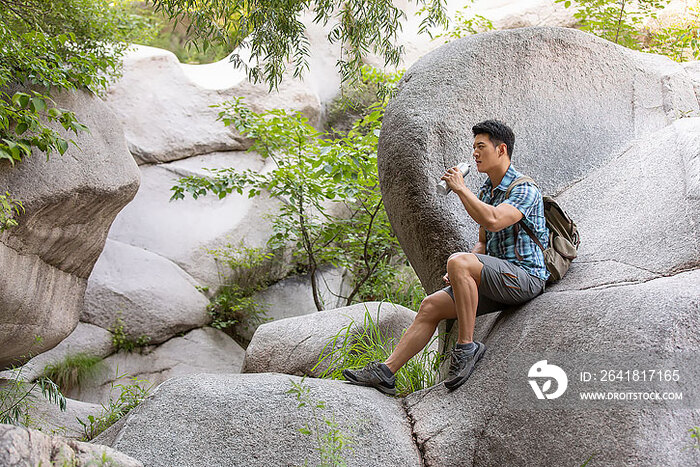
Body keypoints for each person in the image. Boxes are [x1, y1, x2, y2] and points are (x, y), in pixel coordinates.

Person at [343, 119, 550, 395]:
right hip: (501, 278)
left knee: (458, 261)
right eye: (473, 147)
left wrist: (461, 189)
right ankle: (386, 372)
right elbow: (482, 243)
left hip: (526, 278)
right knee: (431, 305)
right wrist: (462, 270)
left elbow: (494, 220)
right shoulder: (488, 190)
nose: (474, 153)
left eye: (480, 146)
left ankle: (466, 347)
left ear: (501, 150)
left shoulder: (524, 189)